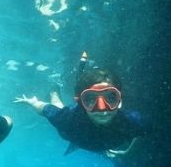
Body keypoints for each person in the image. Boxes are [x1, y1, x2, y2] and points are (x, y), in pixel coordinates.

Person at [15, 53, 147, 158]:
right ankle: (54, 90)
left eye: (111, 97)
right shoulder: (67, 119)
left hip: (80, 137)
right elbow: (44, 108)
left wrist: (129, 151)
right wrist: (32, 102)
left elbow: (140, 133)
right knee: (58, 105)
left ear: (119, 99)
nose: (102, 108)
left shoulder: (133, 120)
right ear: (81, 102)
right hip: (69, 133)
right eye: (90, 99)